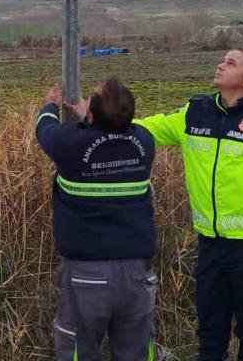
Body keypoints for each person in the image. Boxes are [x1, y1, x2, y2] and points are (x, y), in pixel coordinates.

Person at [135, 48, 243, 361]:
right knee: (210, 330)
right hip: (210, 245)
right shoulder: (194, 113)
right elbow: (147, 128)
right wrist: (99, 118)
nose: (220, 65)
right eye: (222, 60)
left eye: (230, 63)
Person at [36, 78, 158, 361]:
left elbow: (46, 130)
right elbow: (112, 136)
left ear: (91, 116)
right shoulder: (144, 141)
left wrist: (50, 106)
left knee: (79, 349)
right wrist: (88, 116)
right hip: (136, 273)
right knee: (136, 351)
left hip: (86, 273)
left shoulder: (70, 144)